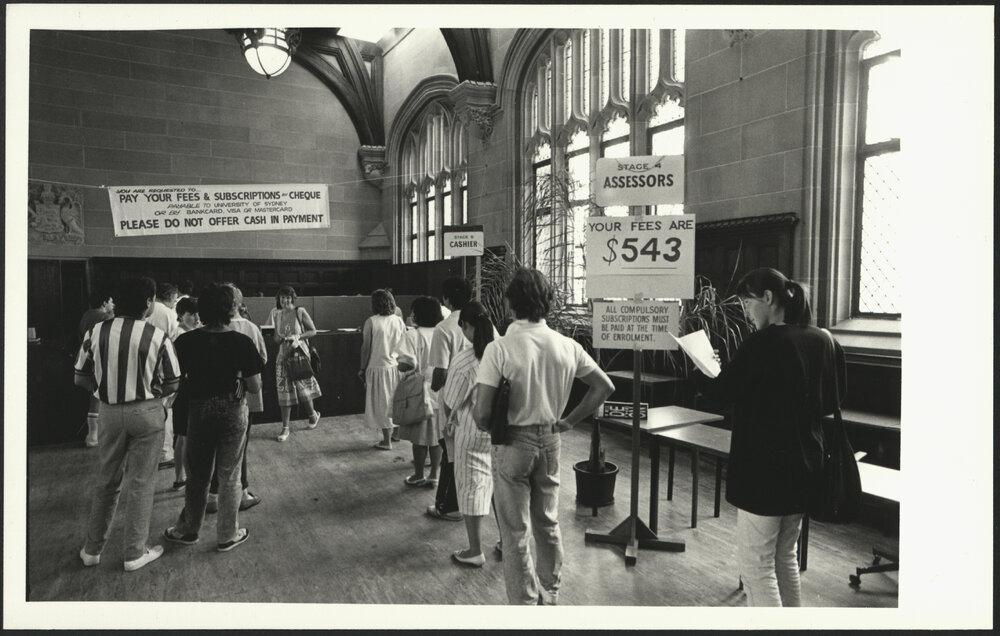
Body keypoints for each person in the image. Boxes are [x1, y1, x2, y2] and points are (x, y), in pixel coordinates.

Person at [695, 267, 845, 607]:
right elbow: (834, 398)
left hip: (764, 470)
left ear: (768, 298)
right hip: (808, 464)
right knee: (784, 558)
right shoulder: (823, 339)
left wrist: (704, 370)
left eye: (748, 303)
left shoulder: (763, 344)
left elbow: (722, 393)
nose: (746, 313)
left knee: (756, 566)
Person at [474, 267, 614, 605]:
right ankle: (550, 591)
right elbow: (604, 387)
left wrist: (488, 424)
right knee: (547, 520)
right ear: (547, 303)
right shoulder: (566, 346)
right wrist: (569, 421)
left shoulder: (500, 349)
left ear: (510, 304)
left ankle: (524, 603)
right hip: (551, 439)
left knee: (514, 531)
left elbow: (481, 415)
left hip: (512, 443)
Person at [74, 276, 180, 571]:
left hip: (108, 412)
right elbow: (173, 381)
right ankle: (134, 552)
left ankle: (92, 550)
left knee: (107, 481)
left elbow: (79, 376)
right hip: (146, 413)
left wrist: (103, 392)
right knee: (141, 483)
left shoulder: (96, 331)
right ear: (148, 302)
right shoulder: (157, 335)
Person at [163, 283, 264, 553]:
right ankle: (227, 535)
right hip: (233, 409)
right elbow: (254, 387)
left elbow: (173, 381)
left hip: (198, 408)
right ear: (229, 310)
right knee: (229, 474)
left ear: (201, 310)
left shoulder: (184, 341)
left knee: (197, 474)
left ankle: (187, 530)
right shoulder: (241, 341)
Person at [441, 300, 497, 567]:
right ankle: (506, 542)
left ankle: (475, 550)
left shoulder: (464, 359)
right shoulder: (504, 349)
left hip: (472, 430)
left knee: (472, 488)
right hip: (502, 430)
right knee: (500, 488)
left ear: (466, 325)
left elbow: (451, 400)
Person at [206, 283, 266, 512]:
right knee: (239, 447)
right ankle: (240, 493)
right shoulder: (251, 328)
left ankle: (212, 494)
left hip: (211, 394)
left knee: (212, 448)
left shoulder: (209, 328)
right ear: (238, 304)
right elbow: (262, 359)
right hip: (242, 395)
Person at [425, 277, 474, 522]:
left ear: (446, 299)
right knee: (464, 452)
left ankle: (449, 505)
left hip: (452, 400)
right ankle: (461, 503)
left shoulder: (444, 327)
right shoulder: (484, 322)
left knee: (450, 452)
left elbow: (440, 372)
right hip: (479, 396)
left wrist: (432, 387)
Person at [395, 296, 445, 487]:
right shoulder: (442, 331)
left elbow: (407, 364)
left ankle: (418, 474)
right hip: (440, 388)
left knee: (420, 437)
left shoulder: (412, 334)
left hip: (419, 390)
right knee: (436, 435)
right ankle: (434, 474)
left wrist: (401, 366)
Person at [269, 285, 322, 443]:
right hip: (283, 356)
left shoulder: (300, 312)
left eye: (287, 297)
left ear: (293, 298)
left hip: (298, 355)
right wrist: (279, 338)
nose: (285, 300)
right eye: (282, 297)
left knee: (303, 390)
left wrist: (297, 336)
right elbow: (275, 338)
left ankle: (312, 415)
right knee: (284, 391)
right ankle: (285, 427)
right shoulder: (276, 314)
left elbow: (313, 331)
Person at [360, 289, 406, 450]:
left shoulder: (371, 321)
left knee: (382, 403)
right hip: (395, 366)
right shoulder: (399, 321)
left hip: (378, 367)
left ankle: (386, 441)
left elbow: (366, 348)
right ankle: (397, 434)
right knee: (395, 400)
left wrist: (361, 368)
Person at [147, 282, 180, 467]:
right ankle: (165, 454)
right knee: (165, 409)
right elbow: (175, 339)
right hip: (163, 369)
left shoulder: (148, 311)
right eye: (174, 300)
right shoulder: (168, 313)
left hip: (144, 369)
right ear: (169, 297)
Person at [169, 296, 200, 490]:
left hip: (186, 389)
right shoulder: (180, 336)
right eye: (191, 314)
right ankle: (181, 476)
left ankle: (182, 476)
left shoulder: (190, 333)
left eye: (198, 314)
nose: (196, 318)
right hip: (184, 390)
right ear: (181, 316)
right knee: (183, 434)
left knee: (183, 434)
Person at [78, 289, 115, 448]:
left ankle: (92, 435)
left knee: (94, 397)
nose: (113, 305)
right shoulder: (105, 317)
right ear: (105, 302)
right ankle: (95, 436)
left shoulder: (86, 315)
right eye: (111, 301)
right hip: (102, 359)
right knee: (100, 397)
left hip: (86, 358)